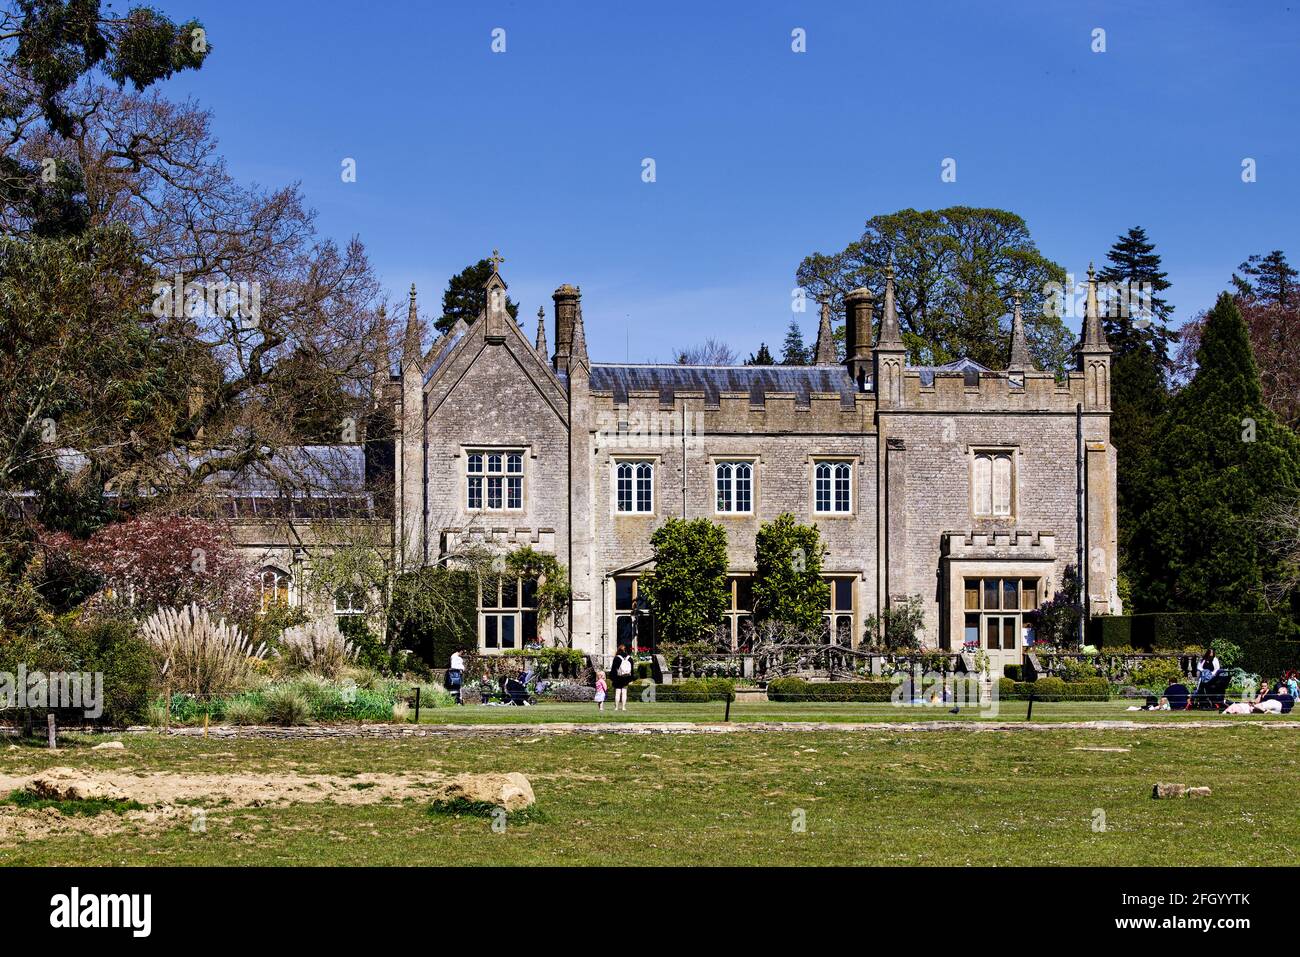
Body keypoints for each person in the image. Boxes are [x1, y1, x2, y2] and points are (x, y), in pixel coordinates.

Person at [610, 644, 635, 712]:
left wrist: (612, 678)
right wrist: (631, 679)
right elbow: (632, 670)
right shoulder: (630, 658)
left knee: (617, 693)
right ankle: (623, 707)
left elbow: (613, 670)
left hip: (618, 677)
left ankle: (616, 707)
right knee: (624, 692)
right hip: (626, 677)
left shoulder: (616, 658)